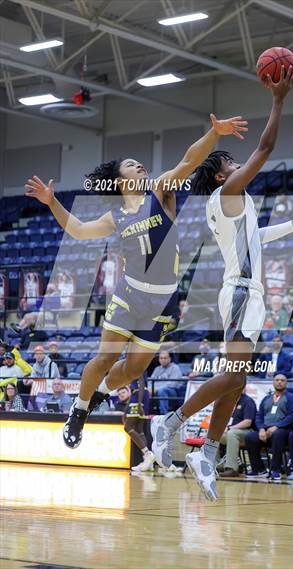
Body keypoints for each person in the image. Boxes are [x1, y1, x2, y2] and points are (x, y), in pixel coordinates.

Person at [150, 67, 293, 501]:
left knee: (238, 380)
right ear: (219, 175)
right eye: (230, 162)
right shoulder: (229, 192)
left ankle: (207, 452)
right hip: (241, 292)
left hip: (250, 293)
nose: (237, 164)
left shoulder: (235, 203)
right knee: (233, 373)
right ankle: (171, 421)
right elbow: (266, 148)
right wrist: (279, 99)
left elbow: (257, 239)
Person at [25, 113, 247, 449]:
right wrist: (52, 201)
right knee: (104, 359)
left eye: (139, 163)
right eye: (131, 164)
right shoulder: (115, 216)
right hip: (129, 295)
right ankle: (79, 410)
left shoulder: (161, 192)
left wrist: (213, 134)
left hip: (162, 300)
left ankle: (99, 393)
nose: (140, 165)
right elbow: (79, 231)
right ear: (119, 179)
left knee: (132, 370)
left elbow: (189, 160)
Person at [245, 374, 293, 481]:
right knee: (250, 437)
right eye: (277, 380)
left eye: (282, 380)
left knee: (278, 435)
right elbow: (259, 416)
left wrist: (277, 426)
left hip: (283, 431)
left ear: (286, 383)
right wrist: (261, 429)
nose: (279, 382)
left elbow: (292, 416)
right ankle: (259, 469)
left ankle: (275, 470)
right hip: (265, 431)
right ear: (273, 382)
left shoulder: (291, 398)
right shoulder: (266, 398)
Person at [110, 383, 155, 472]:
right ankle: (148, 462)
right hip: (140, 396)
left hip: (138, 397)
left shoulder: (135, 374)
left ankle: (147, 454)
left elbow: (141, 381)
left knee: (128, 428)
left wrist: (138, 403)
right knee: (139, 431)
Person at [218, 387, 256, 477]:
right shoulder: (231, 402)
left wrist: (230, 428)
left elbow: (248, 422)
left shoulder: (248, 401)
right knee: (214, 436)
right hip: (234, 432)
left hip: (248, 432)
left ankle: (232, 468)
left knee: (232, 433)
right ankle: (216, 465)